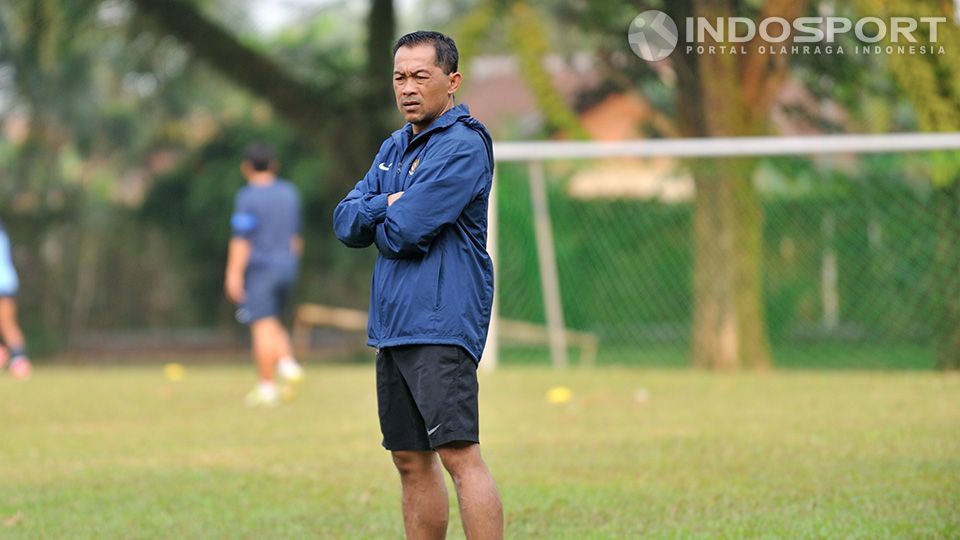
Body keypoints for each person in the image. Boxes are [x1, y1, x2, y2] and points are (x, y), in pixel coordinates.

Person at [333, 31, 503, 539]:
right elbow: (345, 223)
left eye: (420, 76)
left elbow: (405, 233)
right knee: (409, 459)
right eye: (399, 77)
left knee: (458, 454)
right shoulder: (394, 145)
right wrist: (386, 203)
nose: (407, 88)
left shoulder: (464, 146)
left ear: (451, 82)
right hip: (394, 325)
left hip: (440, 322)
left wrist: (386, 213)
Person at [225, 142, 305, 407]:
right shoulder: (290, 193)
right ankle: (288, 364)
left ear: (246, 167)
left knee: (260, 324)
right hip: (287, 265)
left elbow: (242, 240)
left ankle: (267, 386)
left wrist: (234, 273)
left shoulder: (248, 196)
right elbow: (296, 238)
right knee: (271, 320)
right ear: (274, 165)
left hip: (261, 268)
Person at [0, 218, 31, 379]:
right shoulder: (3, 232)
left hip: (3, 281)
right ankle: (19, 360)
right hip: (7, 281)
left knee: (6, 322)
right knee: (8, 323)